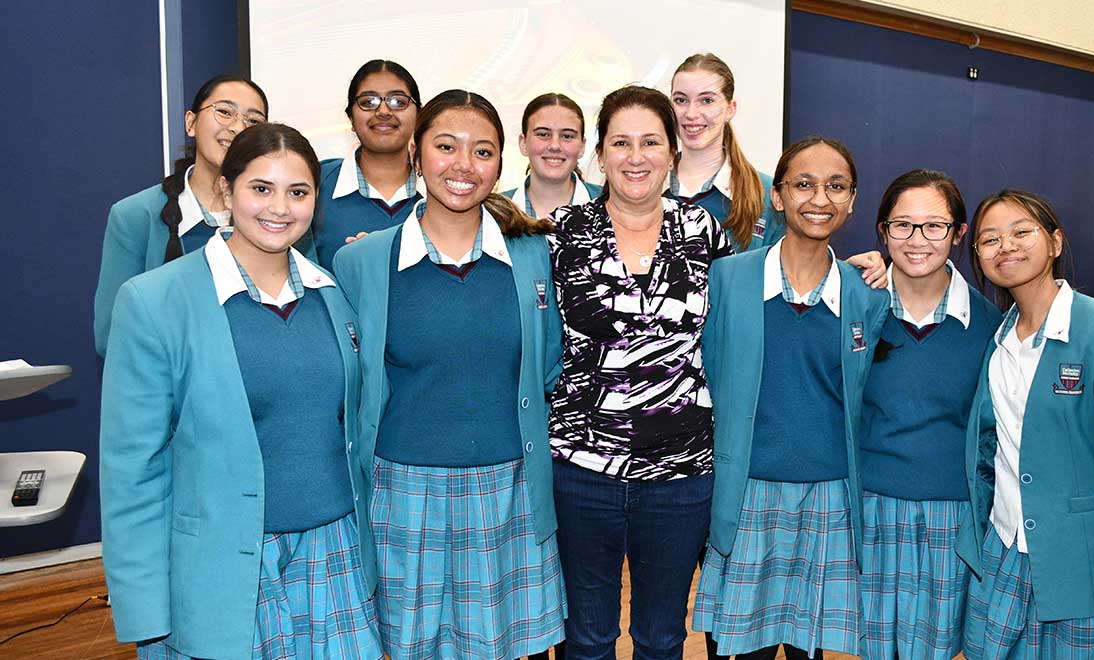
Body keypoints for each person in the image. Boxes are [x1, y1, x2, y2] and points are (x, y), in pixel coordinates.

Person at [101, 123, 382, 660]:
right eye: (261, 188)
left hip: (335, 557)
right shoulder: (155, 300)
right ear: (227, 192)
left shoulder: (333, 294)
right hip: (221, 569)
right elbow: (132, 470)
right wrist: (144, 609)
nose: (280, 207)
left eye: (297, 192)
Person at [333, 89, 567, 660]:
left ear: (500, 166)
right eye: (446, 146)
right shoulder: (362, 261)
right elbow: (351, 386)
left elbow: (550, 364)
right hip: (403, 493)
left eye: (482, 152)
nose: (463, 166)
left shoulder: (534, 255)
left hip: (509, 488)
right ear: (416, 152)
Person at [547, 84, 732, 660]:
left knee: (661, 637)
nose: (635, 155)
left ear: (672, 153)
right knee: (587, 636)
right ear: (599, 155)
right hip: (580, 468)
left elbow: (736, 329)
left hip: (682, 472)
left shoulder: (703, 231)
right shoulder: (557, 234)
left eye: (651, 141)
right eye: (620, 142)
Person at [694, 136, 890, 660]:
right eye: (803, 184)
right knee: (740, 650)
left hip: (828, 497)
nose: (818, 198)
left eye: (835, 186)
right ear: (777, 197)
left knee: (809, 652)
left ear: (852, 200)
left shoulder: (868, 293)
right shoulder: (727, 279)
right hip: (747, 492)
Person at [959, 190, 1094, 659]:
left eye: (1021, 232)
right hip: (1004, 548)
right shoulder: (997, 337)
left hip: (1083, 560)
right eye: (989, 239)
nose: (1005, 246)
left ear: (1054, 242)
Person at [857, 170, 1002, 660]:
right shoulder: (854, 307)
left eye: (934, 226)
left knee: (934, 650)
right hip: (869, 509)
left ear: (959, 234)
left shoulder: (990, 326)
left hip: (951, 516)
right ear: (882, 232)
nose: (917, 240)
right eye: (902, 225)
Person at [95, 74, 269, 357]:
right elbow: (112, 337)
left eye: (252, 121)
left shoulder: (279, 217)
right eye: (224, 112)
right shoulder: (136, 216)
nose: (238, 127)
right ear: (191, 122)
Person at [312, 59, 423, 269]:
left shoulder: (442, 190)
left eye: (398, 101)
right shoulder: (315, 182)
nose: (383, 111)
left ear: (419, 115)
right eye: (368, 102)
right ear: (351, 118)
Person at [668, 53, 784, 252]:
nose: (691, 113)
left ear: (731, 108)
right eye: (681, 100)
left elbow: (795, 273)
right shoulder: (645, 186)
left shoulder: (767, 195)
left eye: (706, 101)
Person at [503, 92, 602, 218]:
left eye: (567, 136)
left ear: (582, 147)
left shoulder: (610, 205)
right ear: (523, 143)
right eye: (543, 134)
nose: (555, 146)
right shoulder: (495, 211)